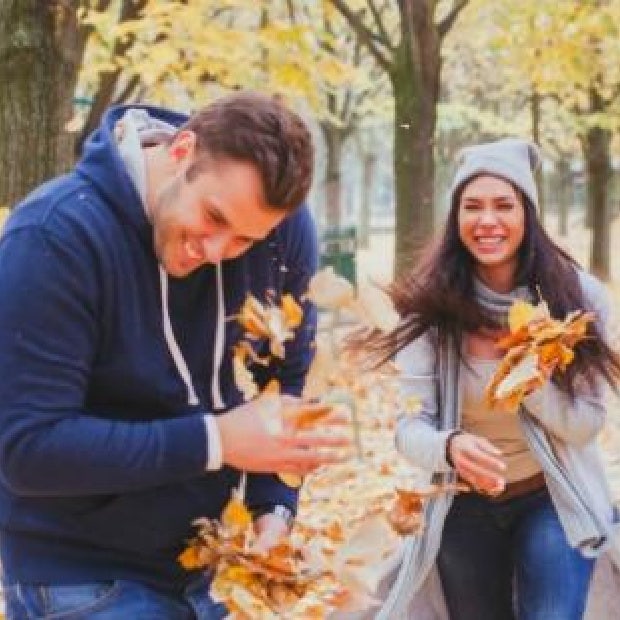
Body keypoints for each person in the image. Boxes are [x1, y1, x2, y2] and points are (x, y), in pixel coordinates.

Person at [0, 92, 349, 619]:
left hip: (215, 566)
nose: (216, 251)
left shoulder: (281, 235)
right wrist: (220, 440)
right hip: (84, 575)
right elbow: (26, 450)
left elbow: (285, 380)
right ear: (182, 149)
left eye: (244, 242)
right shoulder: (55, 237)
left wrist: (273, 510)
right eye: (213, 217)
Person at [353, 138, 620, 619]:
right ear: (456, 219)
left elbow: (586, 425)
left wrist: (529, 386)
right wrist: (450, 446)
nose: (488, 220)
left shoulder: (576, 299)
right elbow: (408, 429)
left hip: (552, 497)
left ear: (528, 214)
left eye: (504, 204)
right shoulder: (431, 308)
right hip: (463, 507)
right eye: (472, 206)